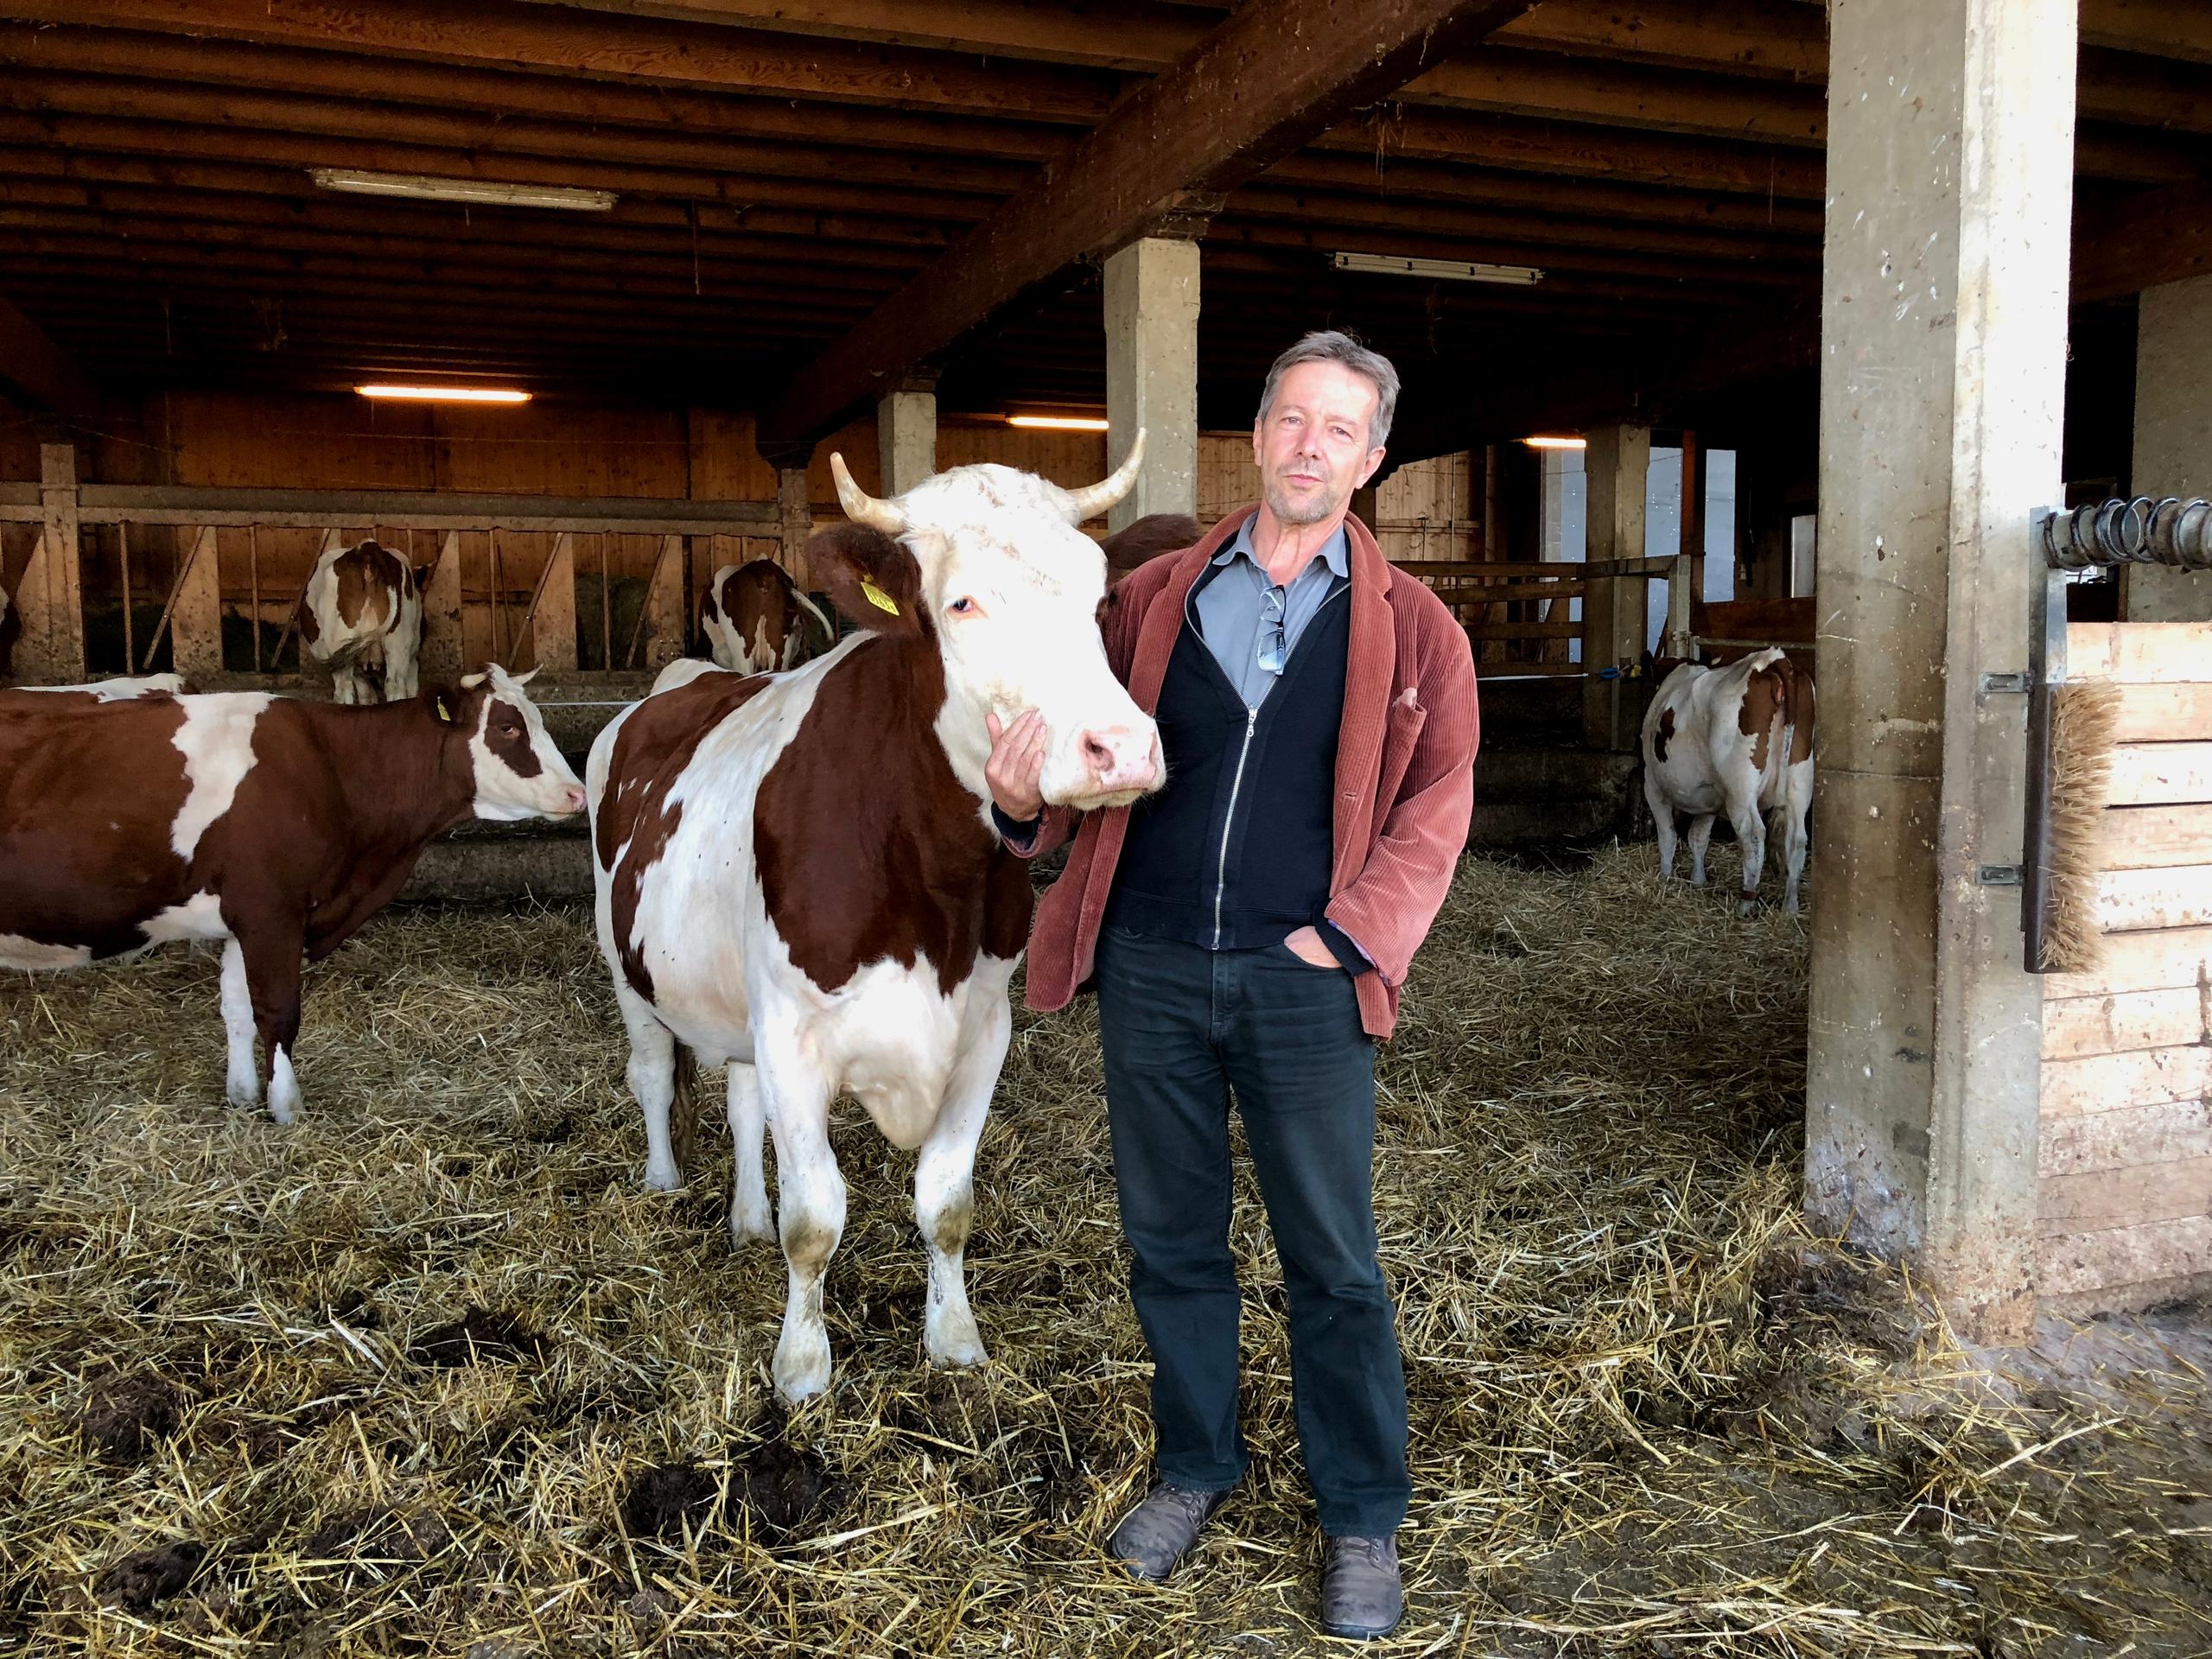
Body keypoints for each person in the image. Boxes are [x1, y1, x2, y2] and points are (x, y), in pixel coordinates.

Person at [984, 331, 1479, 1640]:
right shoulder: (1152, 597)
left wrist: (1349, 939)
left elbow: (1437, 810)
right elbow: (1063, 738)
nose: (1310, 446)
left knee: (1333, 1258)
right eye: (1292, 420)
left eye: (1340, 431)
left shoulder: (1416, 628)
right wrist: (1019, 801)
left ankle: (1361, 1512)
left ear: (1372, 461)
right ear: (1257, 436)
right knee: (1170, 1243)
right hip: (1147, 962)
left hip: (1303, 983)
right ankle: (1196, 1465)